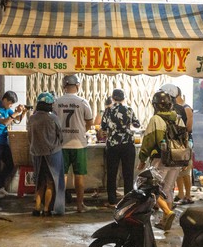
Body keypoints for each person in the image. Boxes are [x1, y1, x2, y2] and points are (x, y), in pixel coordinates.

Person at [137, 90, 185, 231]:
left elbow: (148, 141)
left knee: (151, 188)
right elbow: (185, 140)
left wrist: (142, 159)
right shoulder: (178, 118)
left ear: (156, 105)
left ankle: (167, 212)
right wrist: (185, 161)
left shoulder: (156, 120)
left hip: (160, 159)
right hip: (177, 159)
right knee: (168, 190)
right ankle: (165, 221)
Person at [54, 74, 93, 212]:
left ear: (64, 86)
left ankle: (60, 206)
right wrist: (82, 130)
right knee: (79, 175)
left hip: (62, 144)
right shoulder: (83, 102)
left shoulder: (56, 102)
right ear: (77, 85)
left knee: (62, 176)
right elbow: (89, 122)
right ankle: (79, 205)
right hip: (79, 144)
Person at [27, 92, 65, 216]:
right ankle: (47, 209)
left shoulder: (32, 118)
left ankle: (37, 207)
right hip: (52, 153)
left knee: (39, 181)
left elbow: (29, 137)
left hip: (37, 153)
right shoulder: (53, 118)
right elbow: (61, 136)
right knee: (50, 182)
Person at [101, 88, 141, 207]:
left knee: (112, 173)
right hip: (127, 144)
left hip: (113, 144)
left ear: (113, 98)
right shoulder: (129, 109)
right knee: (128, 173)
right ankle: (128, 200)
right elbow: (137, 124)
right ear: (124, 98)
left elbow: (103, 126)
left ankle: (112, 200)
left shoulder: (108, 111)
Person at [0, 91, 27, 199]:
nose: (11, 106)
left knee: (11, 163)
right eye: (10, 103)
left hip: (4, 142)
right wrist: (15, 113)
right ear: (4, 100)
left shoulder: (6, 109)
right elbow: (4, 122)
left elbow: (16, 120)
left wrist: (23, 113)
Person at [161, 84, 194, 204]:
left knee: (185, 171)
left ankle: (188, 195)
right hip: (179, 144)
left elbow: (189, 128)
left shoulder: (185, 108)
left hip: (185, 143)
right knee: (179, 171)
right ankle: (180, 194)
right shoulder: (176, 108)